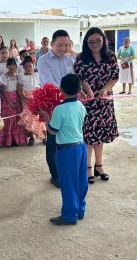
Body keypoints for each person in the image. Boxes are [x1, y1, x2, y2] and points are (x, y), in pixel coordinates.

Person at [38, 74, 87, 225]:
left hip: (67, 151)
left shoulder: (60, 109)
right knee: (81, 181)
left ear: (61, 89)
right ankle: (79, 210)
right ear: (79, 89)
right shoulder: (81, 105)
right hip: (81, 146)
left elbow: (52, 131)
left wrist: (46, 116)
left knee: (68, 183)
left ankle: (69, 215)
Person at [74, 27, 119, 184]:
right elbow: (81, 77)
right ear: (86, 42)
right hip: (88, 101)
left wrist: (105, 89)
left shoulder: (111, 56)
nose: (95, 44)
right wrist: (88, 90)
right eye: (91, 41)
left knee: (100, 136)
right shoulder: (81, 58)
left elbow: (114, 76)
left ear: (104, 40)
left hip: (104, 101)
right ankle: (88, 168)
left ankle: (99, 165)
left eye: (98, 40)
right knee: (88, 136)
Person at [37, 29, 75, 188]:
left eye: (66, 45)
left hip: (69, 104)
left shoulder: (69, 61)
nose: (63, 48)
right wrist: (67, 92)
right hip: (52, 104)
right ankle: (55, 174)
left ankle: (65, 170)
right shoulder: (43, 61)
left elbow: (74, 79)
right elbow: (48, 82)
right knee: (52, 140)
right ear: (52, 44)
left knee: (67, 138)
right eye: (59, 45)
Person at [0, 58, 28, 147]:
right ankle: (7, 141)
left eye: (13, 64)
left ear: (16, 65)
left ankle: (17, 140)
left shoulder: (19, 76)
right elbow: (4, 91)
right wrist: (10, 102)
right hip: (8, 99)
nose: (12, 66)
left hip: (17, 98)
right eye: (9, 65)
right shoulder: (3, 77)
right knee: (9, 119)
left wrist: (18, 100)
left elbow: (20, 89)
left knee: (18, 120)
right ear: (7, 66)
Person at [17, 57, 46, 145]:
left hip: (37, 99)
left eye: (30, 66)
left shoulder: (37, 74)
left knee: (40, 118)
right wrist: (25, 99)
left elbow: (42, 87)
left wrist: (40, 98)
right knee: (28, 119)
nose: (28, 68)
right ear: (23, 67)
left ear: (33, 66)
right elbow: (19, 90)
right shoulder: (21, 76)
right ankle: (31, 138)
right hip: (26, 100)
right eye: (26, 67)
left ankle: (44, 137)